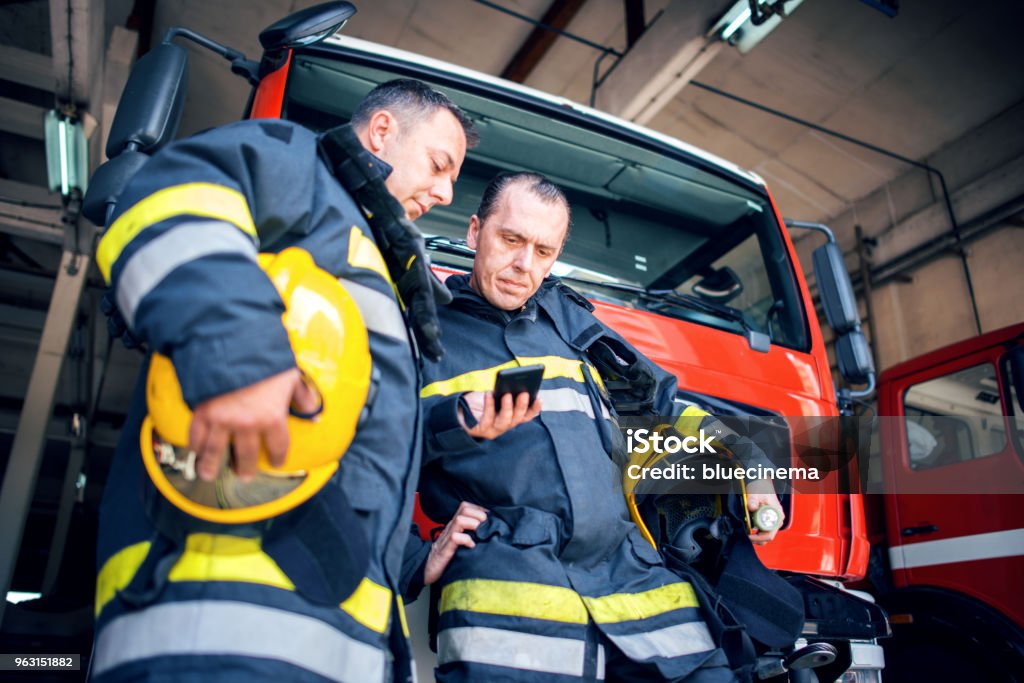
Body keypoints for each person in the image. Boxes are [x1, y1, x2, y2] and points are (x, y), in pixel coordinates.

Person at [91, 79, 478, 682]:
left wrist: (409, 557)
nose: (445, 190)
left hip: (338, 638)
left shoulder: (383, 267)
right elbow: (168, 202)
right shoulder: (298, 164)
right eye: (438, 164)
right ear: (381, 132)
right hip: (215, 624)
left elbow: (358, 452)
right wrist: (237, 353)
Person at [407, 172, 784, 682]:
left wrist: (755, 469)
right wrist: (415, 558)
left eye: (544, 251)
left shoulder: (576, 328)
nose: (524, 266)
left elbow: (665, 411)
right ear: (476, 233)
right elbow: (366, 453)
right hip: (511, 608)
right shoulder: (420, 333)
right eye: (511, 240)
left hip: (637, 587)